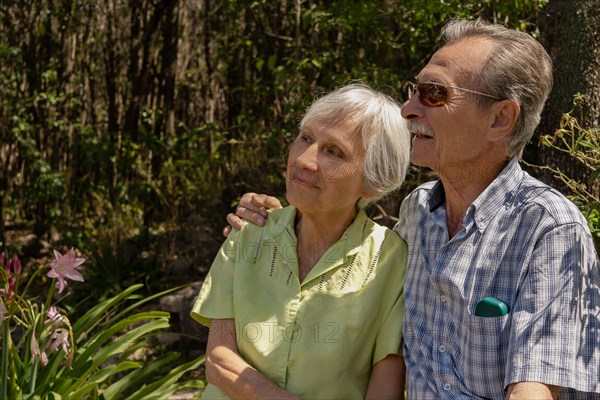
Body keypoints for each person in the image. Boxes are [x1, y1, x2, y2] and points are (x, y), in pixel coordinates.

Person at [226, 19, 600, 399]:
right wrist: (271, 218)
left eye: (433, 94)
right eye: (413, 91)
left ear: (500, 119)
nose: (408, 109)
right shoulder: (417, 212)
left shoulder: (550, 228)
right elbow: (340, 259)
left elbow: (533, 393)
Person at [192, 83, 412, 399]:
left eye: (334, 151)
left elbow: (384, 388)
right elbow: (217, 360)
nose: (305, 160)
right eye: (305, 138)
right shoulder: (250, 229)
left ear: (373, 181)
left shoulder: (391, 259)